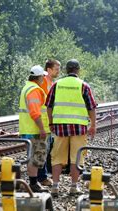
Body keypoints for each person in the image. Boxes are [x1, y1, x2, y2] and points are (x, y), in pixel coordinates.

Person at [46, 59, 97, 197]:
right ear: (78, 70)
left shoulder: (57, 85)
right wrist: (93, 125)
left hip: (60, 127)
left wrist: (51, 122)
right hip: (79, 127)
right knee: (77, 157)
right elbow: (91, 107)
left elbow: (49, 106)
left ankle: (55, 187)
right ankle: (74, 187)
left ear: (66, 70)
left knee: (57, 158)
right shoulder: (84, 86)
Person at [18, 65, 50, 192]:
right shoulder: (34, 90)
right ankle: (33, 183)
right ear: (39, 77)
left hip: (29, 128)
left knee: (34, 156)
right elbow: (35, 112)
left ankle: (33, 182)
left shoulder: (27, 87)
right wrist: (42, 129)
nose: (44, 78)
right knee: (36, 157)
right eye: (43, 76)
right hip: (34, 130)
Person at [37, 59, 61, 186]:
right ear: (49, 70)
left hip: (47, 121)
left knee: (47, 147)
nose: (59, 72)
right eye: (56, 69)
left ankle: (46, 173)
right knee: (42, 149)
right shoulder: (44, 81)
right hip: (42, 120)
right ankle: (42, 177)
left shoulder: (50, 82)